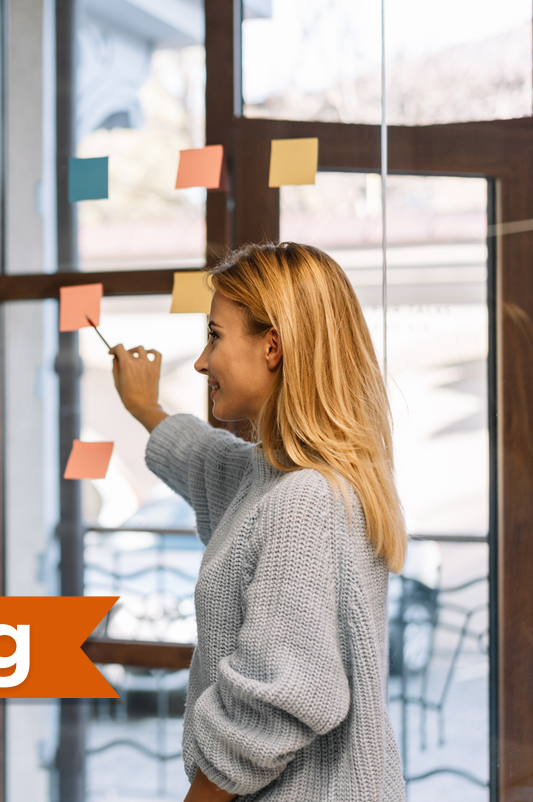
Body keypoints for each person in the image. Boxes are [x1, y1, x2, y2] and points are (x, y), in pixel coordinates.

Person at [109, 242, 406, 802]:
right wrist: (144, 406)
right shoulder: (276, 478)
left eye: (215, 336)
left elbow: (276, 701)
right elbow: (204, 460)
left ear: (273, 346)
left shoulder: (303, 502)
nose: (201, 362)